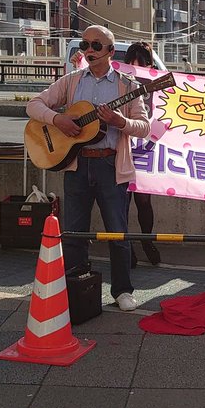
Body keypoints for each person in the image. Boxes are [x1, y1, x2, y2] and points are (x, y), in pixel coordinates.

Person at [27, 25, 150, 311]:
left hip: (110, 164)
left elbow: (143, 127)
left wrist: (121, 123)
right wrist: (58, 121)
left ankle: (122, 290)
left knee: (118, 231)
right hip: (77, 163)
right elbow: (34, 105)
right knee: (74, 230)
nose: (89, 51)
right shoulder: (70, 81)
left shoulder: (128, 86)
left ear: (110, 50)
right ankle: (75, 284)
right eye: (85, 45)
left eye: (96, 45)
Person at [122, 41, 162, 267]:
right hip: (124, 146)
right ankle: (126, 248)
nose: (135, 67)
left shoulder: (158, 83)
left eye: (141, 63)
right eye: (130, 63)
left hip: (147, 147)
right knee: (122, 202)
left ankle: (147, 241)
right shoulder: (118, 80)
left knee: (144, 200)